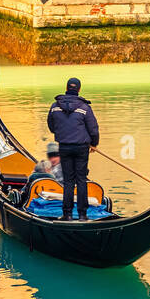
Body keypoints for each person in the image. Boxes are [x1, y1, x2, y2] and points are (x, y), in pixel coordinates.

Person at [47, 77, 99, 221]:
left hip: (64, 146)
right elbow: (93, 129)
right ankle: (83, 215)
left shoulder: (54, 106)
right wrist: (94, 144)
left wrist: (63, 132)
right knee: (81, 180)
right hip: (82, 147)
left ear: (66, 88)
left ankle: (67, 215)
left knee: (68, 181)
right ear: (79, 89)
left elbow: (51, 126)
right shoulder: (84, 108)